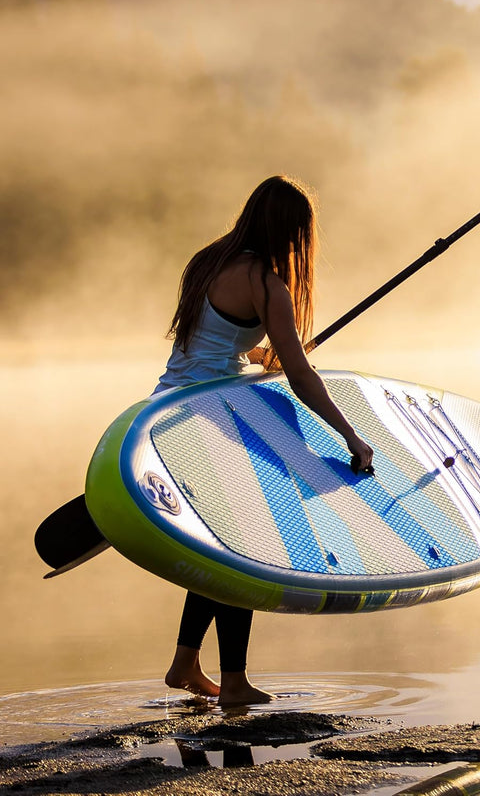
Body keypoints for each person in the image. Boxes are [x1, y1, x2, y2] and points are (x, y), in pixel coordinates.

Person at [155, 175, 374, 706]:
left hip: (167, 411)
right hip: (213, 422)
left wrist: (265, 355)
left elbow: (216, 346)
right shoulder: (266, 284)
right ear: (291, 232)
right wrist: (351, 436)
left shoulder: (207, 261)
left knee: (218, 546)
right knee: (243, 548)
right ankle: (232, 681)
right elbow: (300, 378)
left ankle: (185, 664)